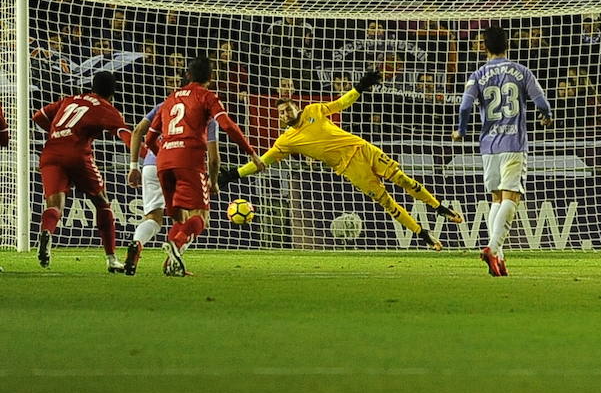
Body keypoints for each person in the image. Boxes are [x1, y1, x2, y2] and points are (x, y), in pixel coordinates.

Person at [218, 69, 462, 250]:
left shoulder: (313, 110)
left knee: (404, 180)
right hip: (349, 169)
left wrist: (360, 87)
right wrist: (233, 174)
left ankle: (439, 208)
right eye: (281, 112)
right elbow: (262, 162)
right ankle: (423, 234)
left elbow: (341, 103)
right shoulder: (286, 141)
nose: (286, 113)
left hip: (362, 148)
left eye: (288, 108)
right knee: (387, 203)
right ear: (279, 119)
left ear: (296, 107)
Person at [143, 56, 263, 276]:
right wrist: (251, 153)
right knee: (200, 215)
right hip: (188, 160)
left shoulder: (169, 100)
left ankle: (171, 265)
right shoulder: (206, 96)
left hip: (163, 162)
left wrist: (164, 156)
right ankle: (176, 245)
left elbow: (149, 139)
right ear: (211, 77)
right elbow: (228, 125)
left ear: (187, 74)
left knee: (180, 217)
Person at [452, 26, 553, 277]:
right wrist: (546, 116)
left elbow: (465, 107)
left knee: (496, 199)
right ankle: (494, 248)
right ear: (507, 45)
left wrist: (461, 131)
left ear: (484, 47)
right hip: (513, 143)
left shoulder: (477, 75)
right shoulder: (520, 71)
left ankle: (500, 257)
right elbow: (541, 102)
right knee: (511, 198)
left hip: (488, 145)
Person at [32, 71, 132, 272]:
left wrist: (56, 132)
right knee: (102, 201)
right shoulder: (106, 108)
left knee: (55, 204)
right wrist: (145, 154)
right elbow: (124, 133)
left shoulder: (70, 100)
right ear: (112, 92)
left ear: (92, 86)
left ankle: (47, 232)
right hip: (77, 154)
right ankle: (112, 259)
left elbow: (38, 116)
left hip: (50, 152)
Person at [124, 72, 219, 276]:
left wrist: (134, 165)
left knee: (153, 218)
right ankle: (172, 260)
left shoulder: (164, 104)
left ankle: (137, 244)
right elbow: (212, 154)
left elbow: (138, 131)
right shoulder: (204, 108)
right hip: (183, 162)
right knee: (194, 217)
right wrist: (213, 178)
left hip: (154, 165)